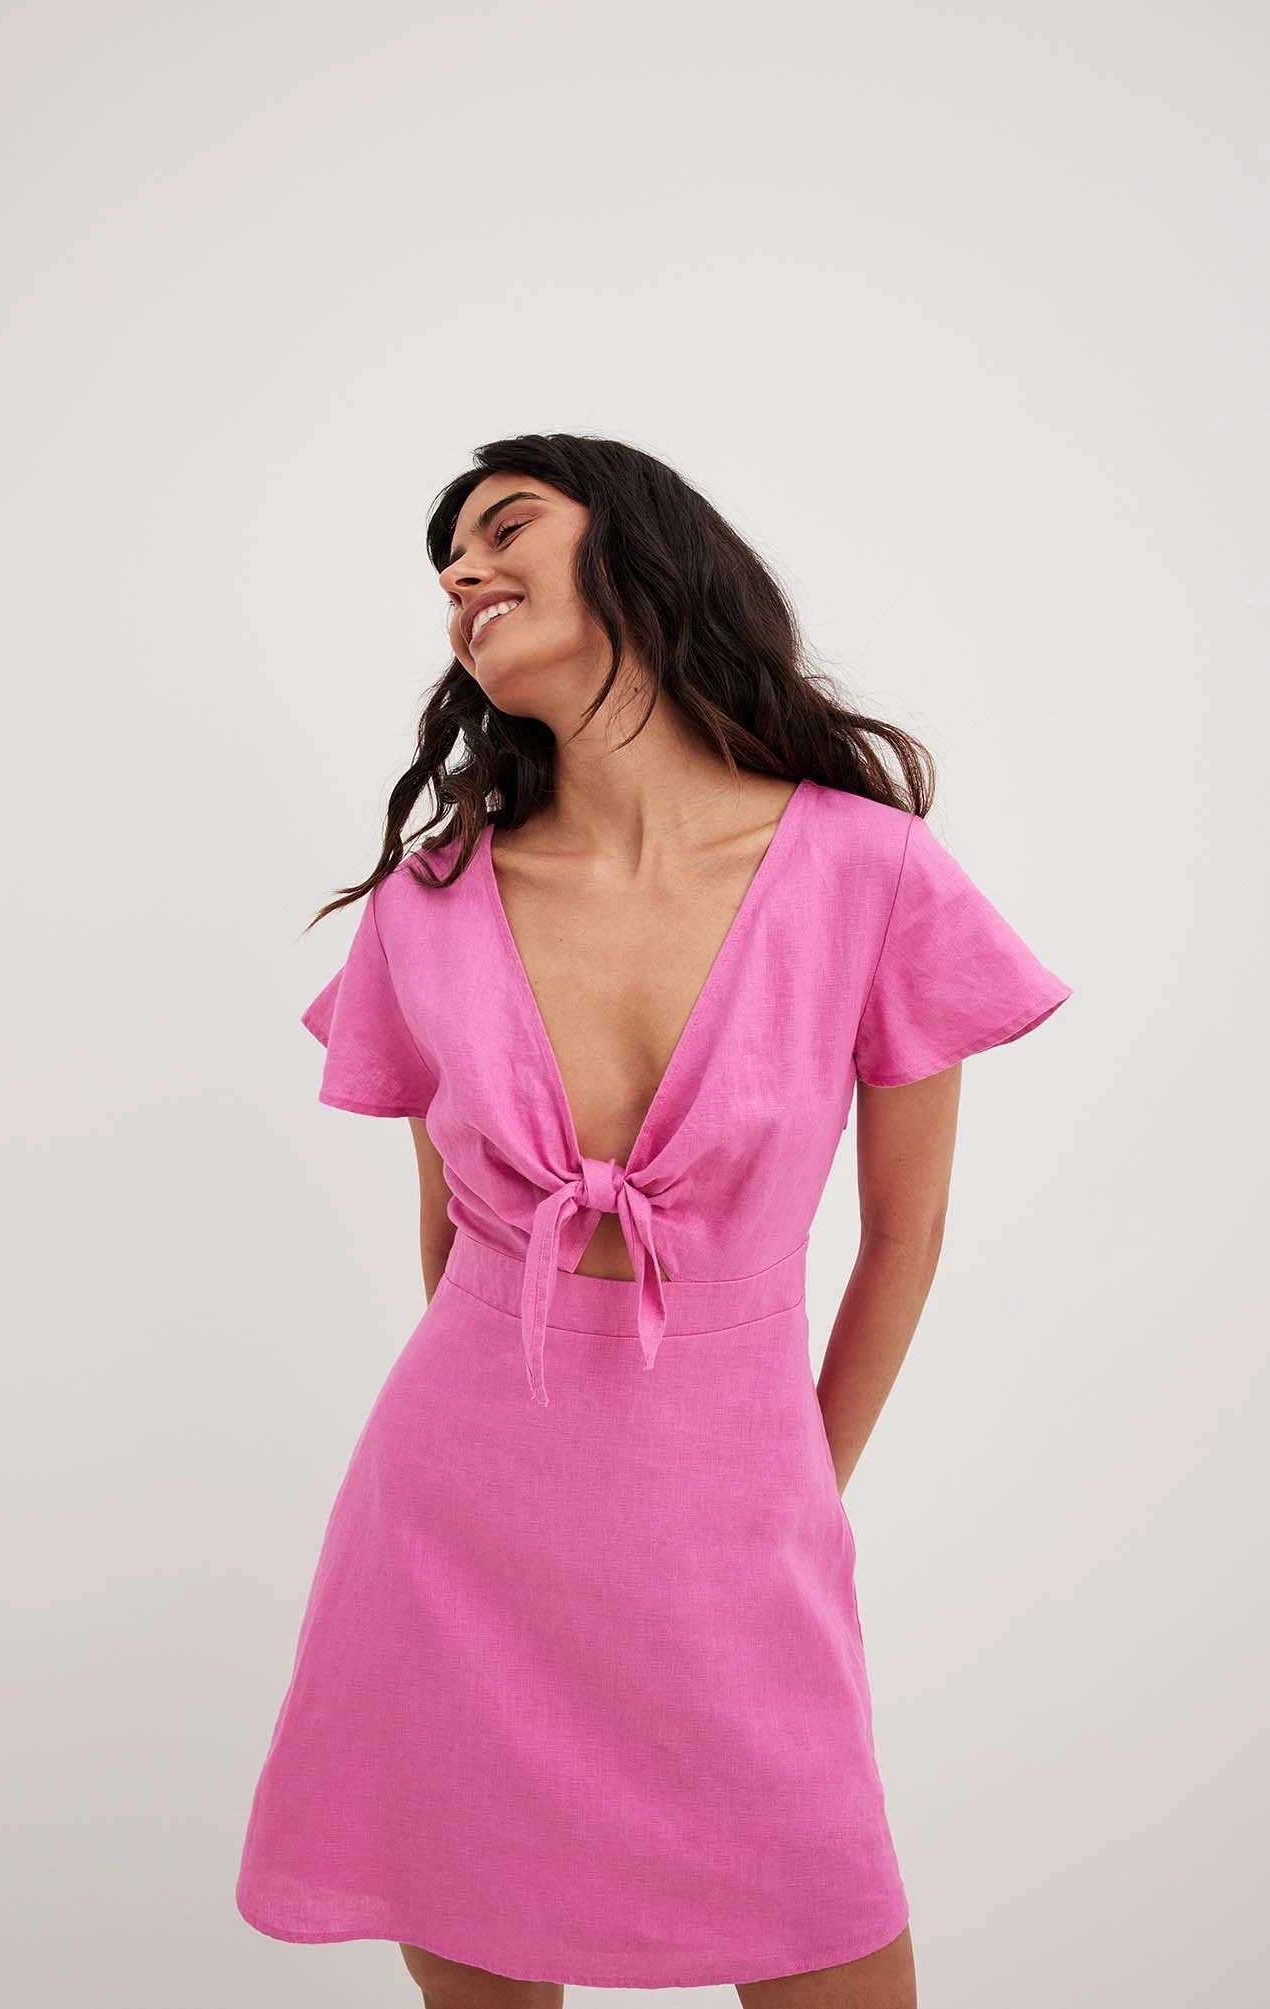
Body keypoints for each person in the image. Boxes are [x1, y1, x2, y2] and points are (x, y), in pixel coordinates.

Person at [235, 434, 1073, 2009]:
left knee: (828, 1933)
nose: (462, 573)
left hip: (733, 1522)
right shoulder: (431, 901)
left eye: (504, 528)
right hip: (454, 1523)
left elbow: (905, 1233)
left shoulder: (870, 871)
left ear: (642, 552)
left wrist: (794, 1482)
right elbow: (451, 1248)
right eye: (446, 562)